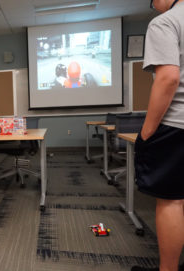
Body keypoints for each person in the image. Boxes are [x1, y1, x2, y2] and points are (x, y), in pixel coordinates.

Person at [131, 0, 184, 270]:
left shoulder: (165, 22)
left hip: (176, 125)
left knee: (172, 200)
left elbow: (168, 78)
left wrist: (147, 131)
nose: (153, 5)